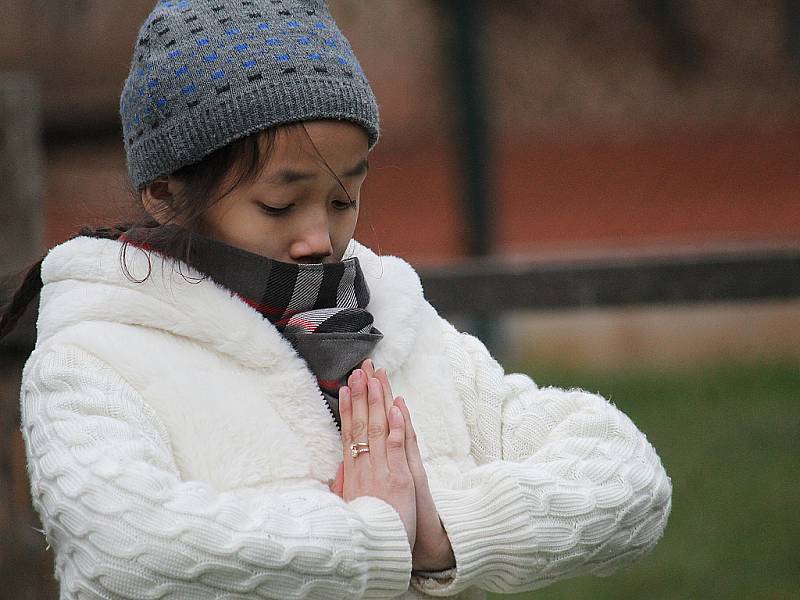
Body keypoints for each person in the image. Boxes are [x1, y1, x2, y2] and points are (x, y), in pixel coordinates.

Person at [1, 1, 671, 598]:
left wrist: (443, 533)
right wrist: (374, 535)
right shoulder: (91, 359)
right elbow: (132, 551)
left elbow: (629, 479)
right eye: (280, 203)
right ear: (166, 194)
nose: (321, 238)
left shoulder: (393, 323)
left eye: (344, 198)